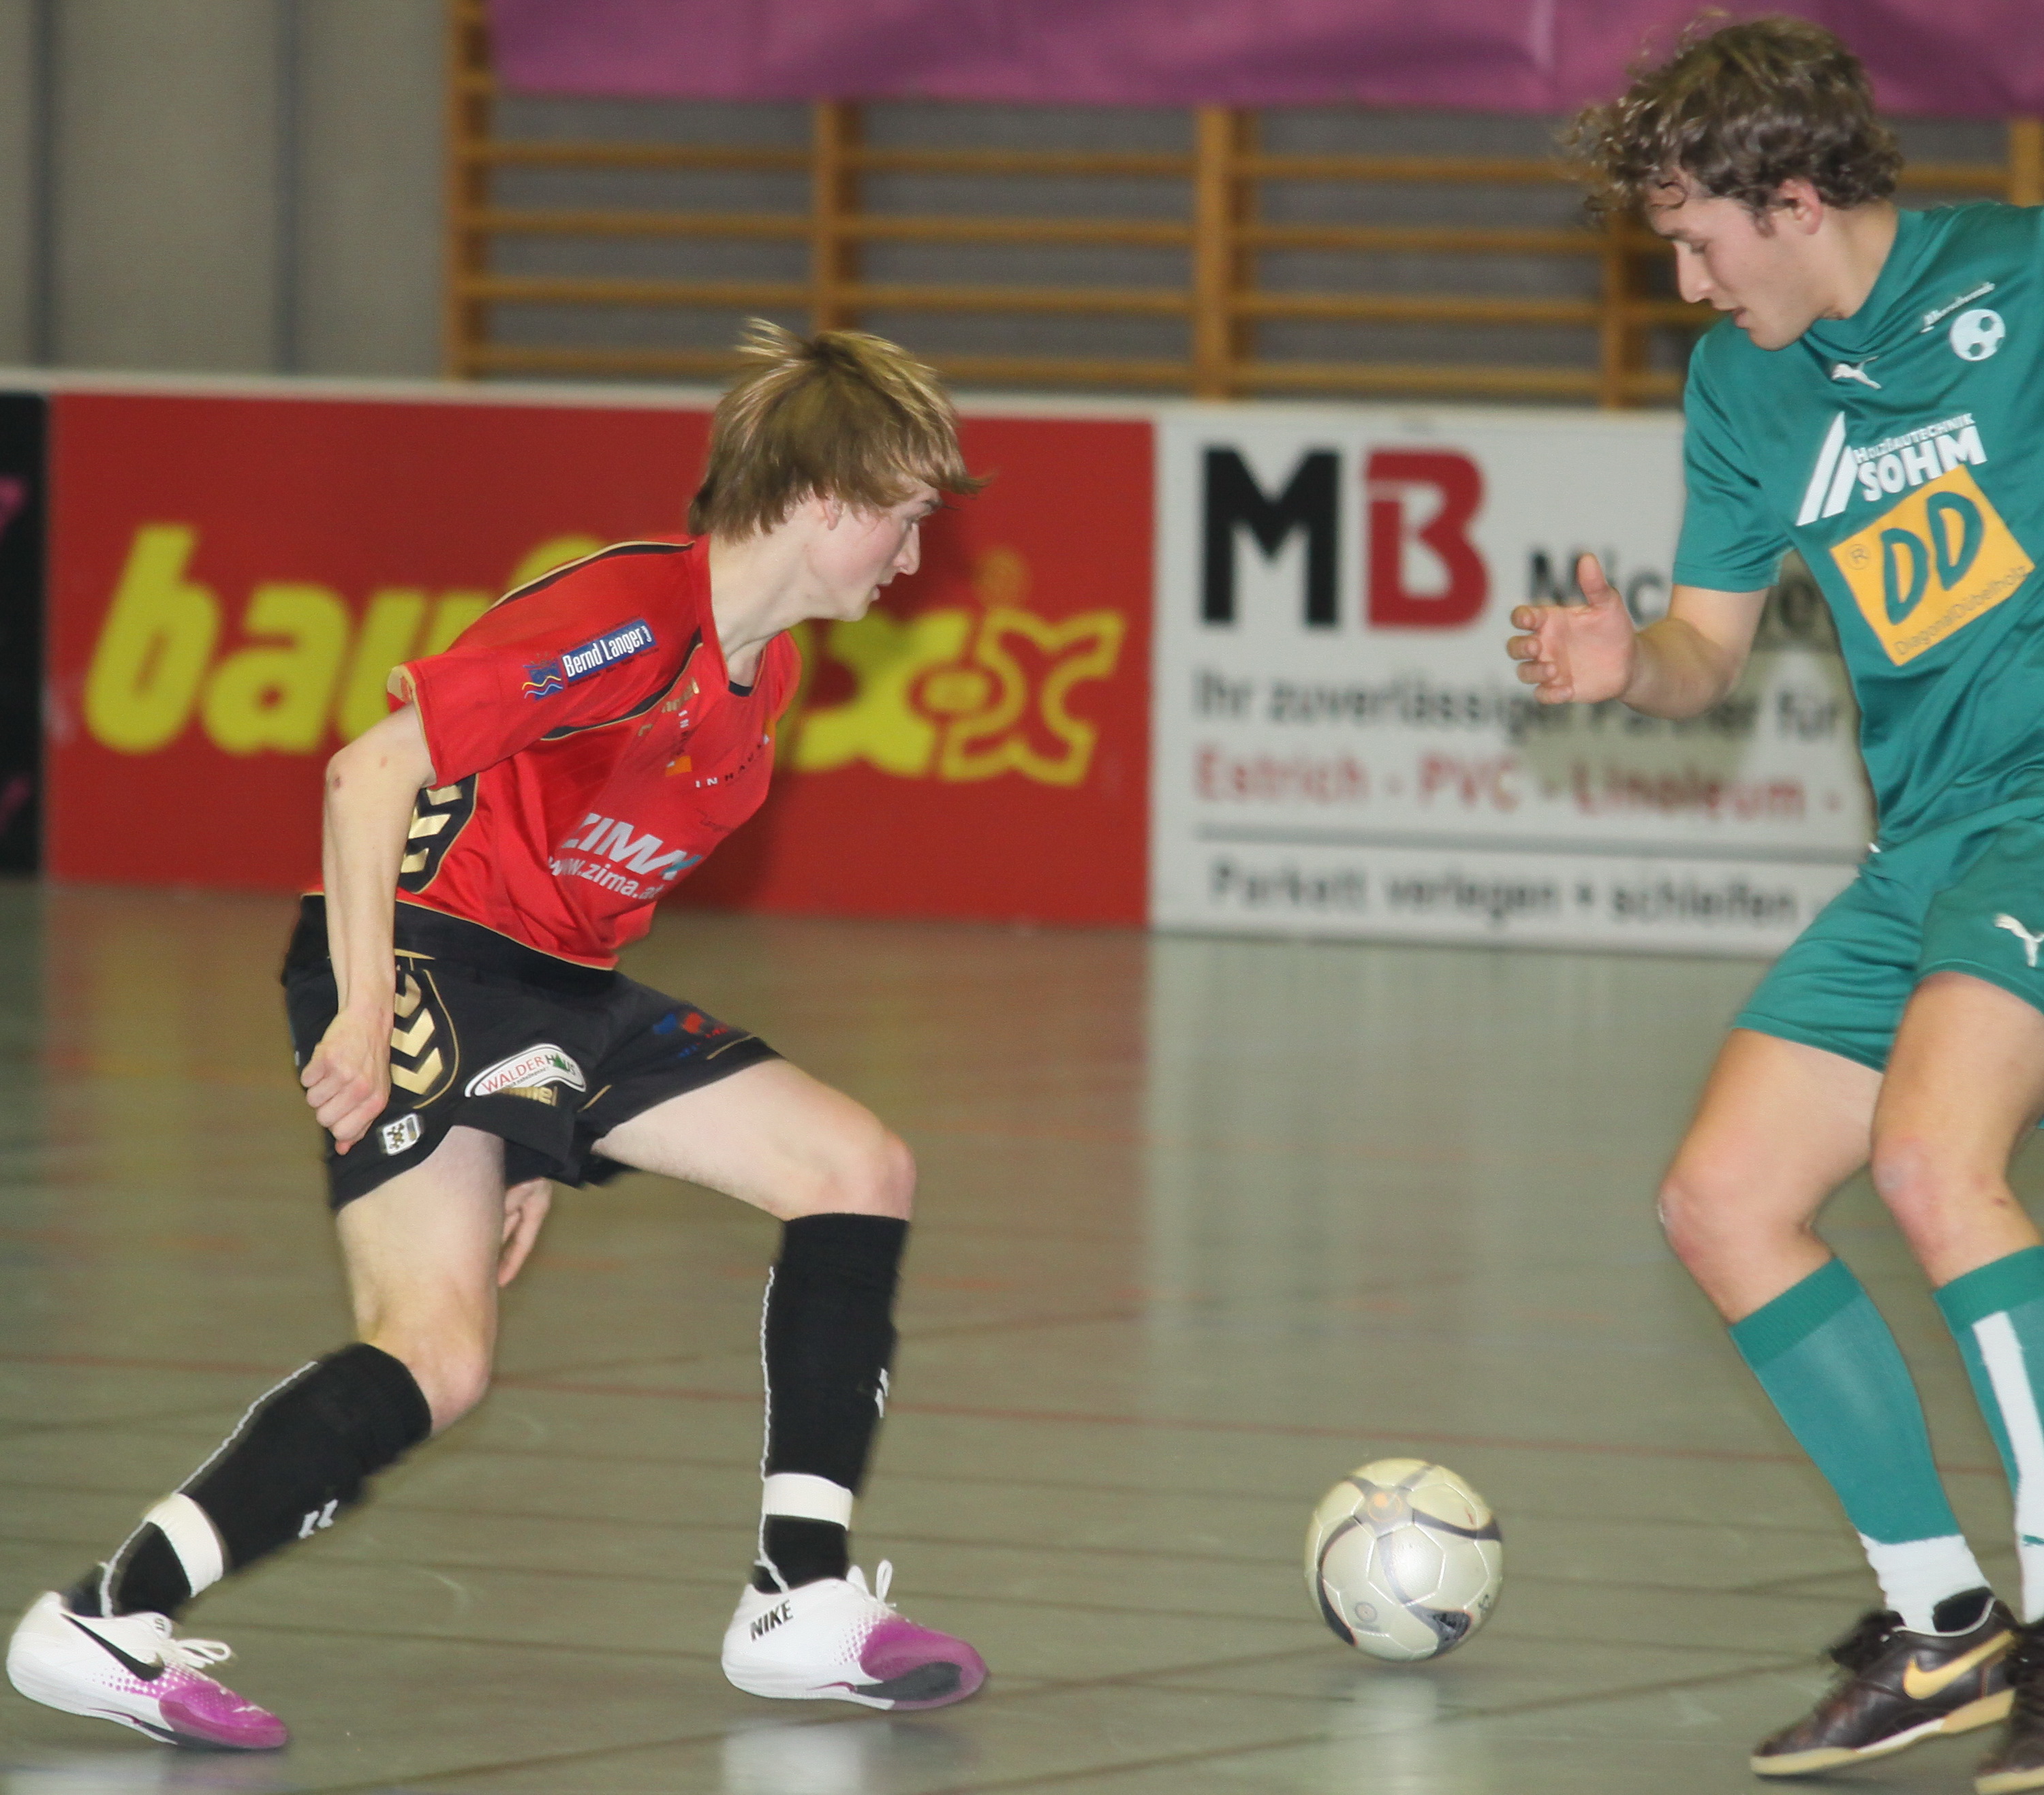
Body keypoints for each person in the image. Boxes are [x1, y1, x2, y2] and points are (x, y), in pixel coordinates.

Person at [5, 321, 990, 1749]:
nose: (911, 555)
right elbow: (369, 775)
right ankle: (108, 1615)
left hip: (554, 988)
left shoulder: (762, 680)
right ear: (827, 500)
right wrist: (363, 1005)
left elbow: (588, 903)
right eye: (903, 518)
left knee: (853, 1166)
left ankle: (799, 1598)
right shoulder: (633, 615)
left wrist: (536, 1136)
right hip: (427, 953)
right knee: (436, 1352)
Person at [1515, 18, 2044, 1792]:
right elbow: (1706, 652)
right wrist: (1629, 665)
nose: (1685, 283)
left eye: (1698, 242)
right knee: (1723, 1198)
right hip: (1931, 839)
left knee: (1934, 1165)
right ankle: (1945, 1624)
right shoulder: (1746, 386)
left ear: (1797, 200)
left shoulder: (2024, 284)